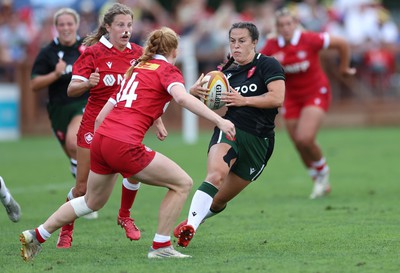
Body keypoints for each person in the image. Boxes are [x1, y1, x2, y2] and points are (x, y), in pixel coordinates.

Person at [19, 26, 236, 261]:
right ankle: (161, 246)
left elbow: (104, 116)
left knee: (91, 201)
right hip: (123, 143)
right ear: (175, 49)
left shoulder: (135, 68)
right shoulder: (167, 70)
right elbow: (181, 98)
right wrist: (219, 120)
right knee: (182, 183)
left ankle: (36, 235)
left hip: (102, 140)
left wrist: (106, 143)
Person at [174, 22, 286, 248]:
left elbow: (277, 98)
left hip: (260, 141)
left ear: (254, 42)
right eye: (232, 41)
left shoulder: (268, 65)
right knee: (215, 175)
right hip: (230, 129)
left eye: (242, 41)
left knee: (219, 200)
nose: (236, 46)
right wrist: (195, 94)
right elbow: (212, 103)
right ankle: (192, 228)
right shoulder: (224, 72)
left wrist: (245, 100)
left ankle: (193, 220)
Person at [56, 3, 144, 249]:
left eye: (129, 25)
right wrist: (88, 83)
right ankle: (66, 231)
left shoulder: (138, 54)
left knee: (135, 171)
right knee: (83, 188)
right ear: (108, 27)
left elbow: (147, 87)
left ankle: (125, 216)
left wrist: (156, 121)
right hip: (94, 127)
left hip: (126, 127)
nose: (126, 30)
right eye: (120, 25)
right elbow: (71, 89)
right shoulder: (93, 53)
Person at [260, 8, 356, 199]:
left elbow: (342, 43)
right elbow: (256, 67)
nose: (286, 28)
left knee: (305, 138)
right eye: (281, 25)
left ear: (295, 24)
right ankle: (319, 181)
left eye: (289, 24)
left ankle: (323, 171)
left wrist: (344, 67)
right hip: (291, 98)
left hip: (316, 92)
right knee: (298, 143)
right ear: (276, 28)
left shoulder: (309, 39)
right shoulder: (271, 46)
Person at [30, 8, 87, 195]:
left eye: (69, 23)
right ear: (56, 27)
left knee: (74, 143)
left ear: (76, 25)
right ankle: (84, 194)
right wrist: (55, 73)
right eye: (61, 24)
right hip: (58, 109)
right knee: (73, 154)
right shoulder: (48, 52)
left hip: (82, 104)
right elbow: (34, 83)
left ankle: (87, 194)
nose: (66, 28)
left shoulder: (86, 49)